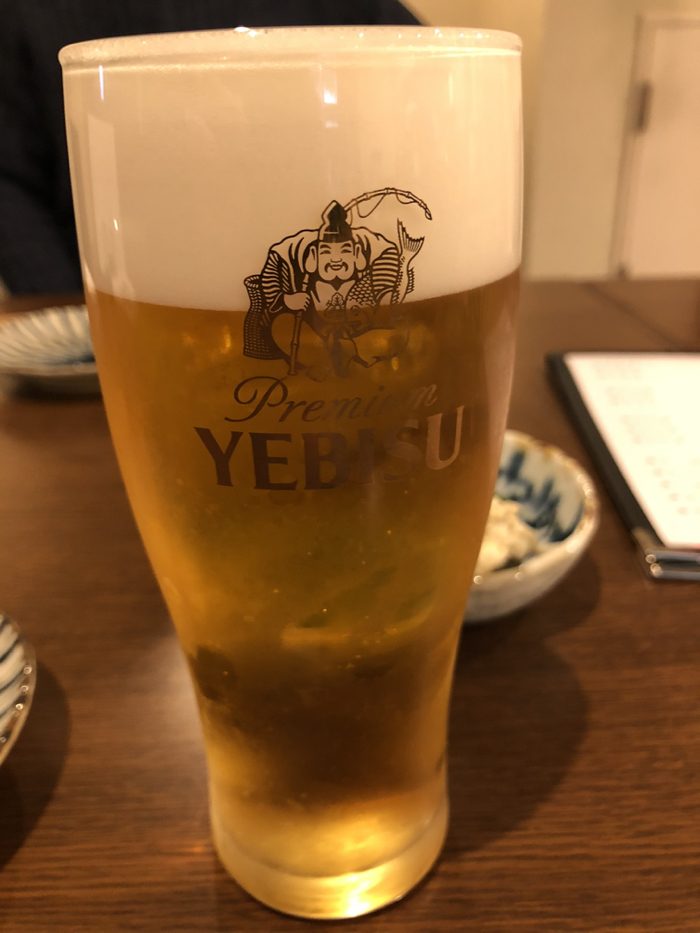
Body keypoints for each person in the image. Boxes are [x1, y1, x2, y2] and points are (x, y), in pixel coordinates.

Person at [0, 0, 420, 295]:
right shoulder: (30, 13)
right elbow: (9, 181)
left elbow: (427, 82)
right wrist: (76, 313)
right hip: (113, 311)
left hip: (334, 322)